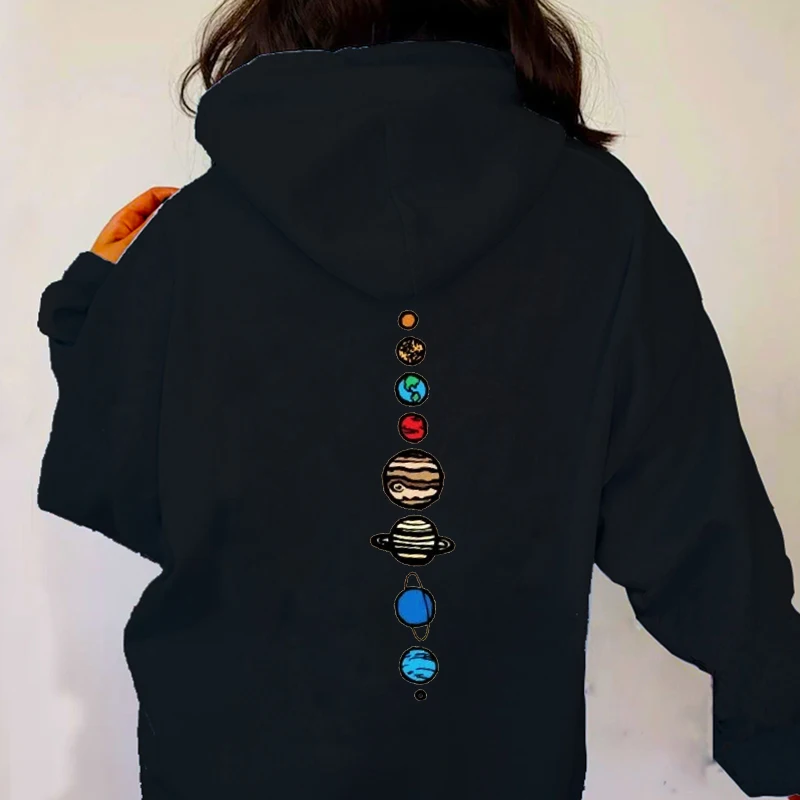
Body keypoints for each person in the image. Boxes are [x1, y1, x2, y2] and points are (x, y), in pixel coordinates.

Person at [35, 0, 800, 798]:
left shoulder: (195, 234)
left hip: (226, 764)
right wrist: (781, 727)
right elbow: (692, 518)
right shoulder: (600, 219)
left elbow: (125, 482)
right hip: (491, 766)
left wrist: (93, 303)